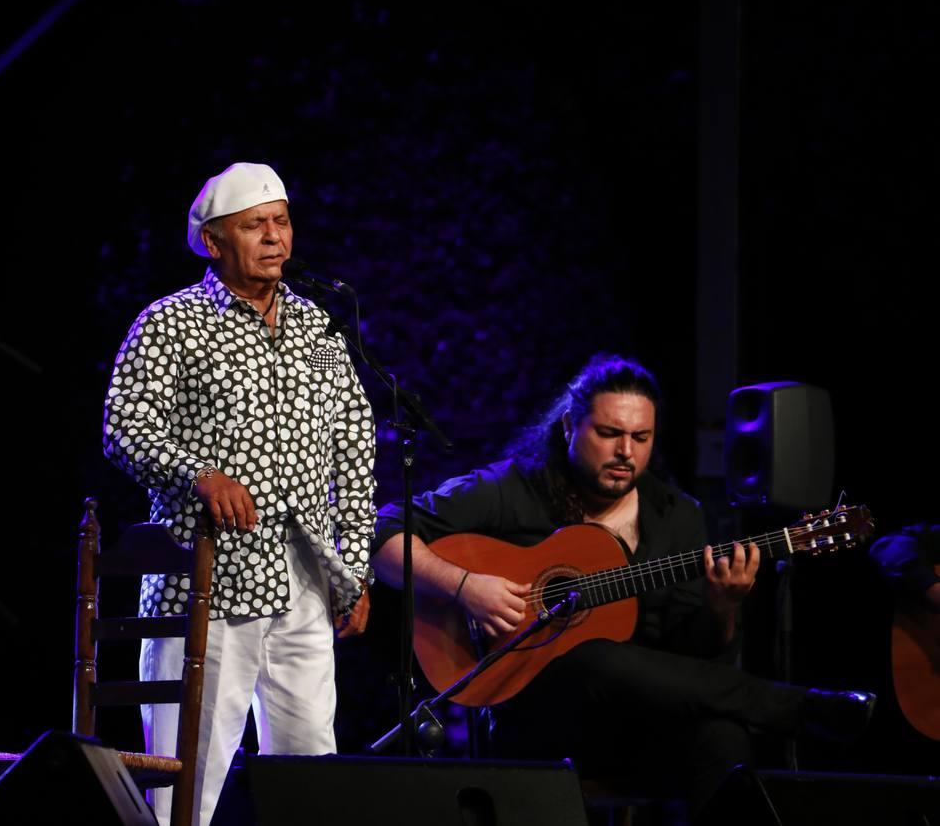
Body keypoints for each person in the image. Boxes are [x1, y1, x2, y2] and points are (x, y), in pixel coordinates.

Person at [372, 353, 876, 815]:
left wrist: (722, 606)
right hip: (535, 714)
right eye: (609, 433)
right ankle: (796, 708)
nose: (626, 452)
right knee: (595, 654)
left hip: (639, 723)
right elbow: (383, 534)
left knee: (723, 737)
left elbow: (695, 658)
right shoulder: (514, 489)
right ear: (570, 425)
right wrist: (465, 587)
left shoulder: (678, 517)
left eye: (641, 438)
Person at [103, 162, 377, 825]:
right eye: (256, 225)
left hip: (305, 576)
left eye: (281, 222)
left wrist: (356, 566)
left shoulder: (313, 332)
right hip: (209, 576)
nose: (275, 237)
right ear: (214, 240)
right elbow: (125, 426)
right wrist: (197, 473)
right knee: (185, 781)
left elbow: (352, 431)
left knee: (311, 768)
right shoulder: (174, 324)